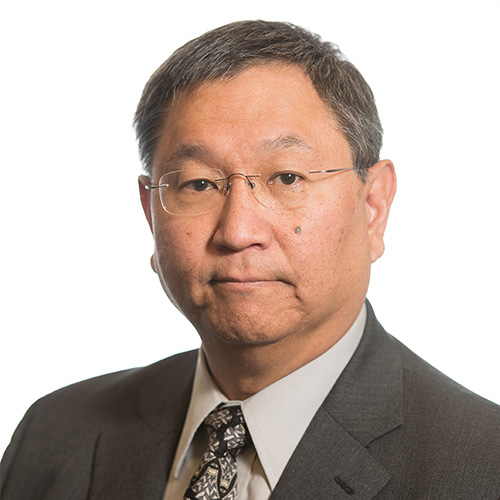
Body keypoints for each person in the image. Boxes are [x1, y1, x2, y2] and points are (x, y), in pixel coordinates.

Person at [2, 20, 500, 500]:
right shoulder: (53, 435)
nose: (238, 232)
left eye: (287, 177)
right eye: (198, 183)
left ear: (373, 207)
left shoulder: (482, 466)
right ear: (151, 215)